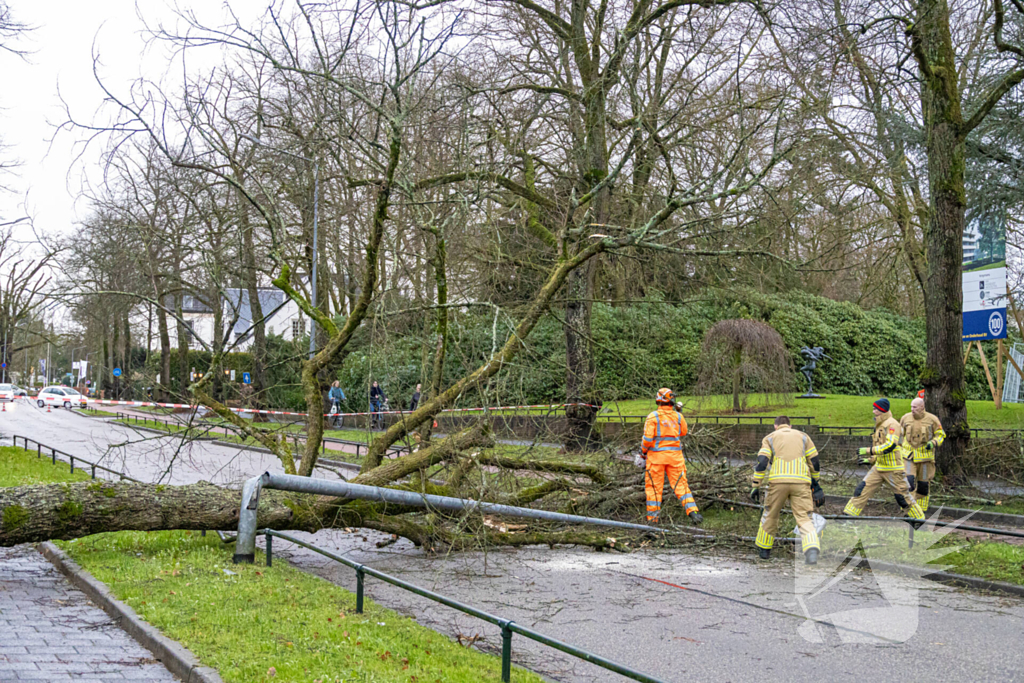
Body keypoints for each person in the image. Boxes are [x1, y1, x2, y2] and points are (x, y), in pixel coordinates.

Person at [751, 416, 825, 564]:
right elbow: (815, 461)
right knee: (804, 517)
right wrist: (815, 482)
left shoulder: (770, 438)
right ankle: (811, 551)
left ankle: (764, 551)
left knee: (770, 515)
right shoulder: (803, 437)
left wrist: (755, 485)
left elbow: (762, 462)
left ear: (775, 426)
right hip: (801, 482)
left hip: (778, 482)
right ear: (790, 426)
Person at [843, 398, 925, 522]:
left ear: (882, 410)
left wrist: (868, 450)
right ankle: (848, 516)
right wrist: (870, 460)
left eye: (875, 409)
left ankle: (919, 520)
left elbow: (890, 446)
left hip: (893, 469)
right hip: (879, 467)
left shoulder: (892, 424)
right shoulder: (880, 425)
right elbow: (879, 446)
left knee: (903, 497)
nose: (873, 411)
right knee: (861, 490)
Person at [638, 388, 702, 525]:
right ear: (672, 401)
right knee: (681, 485)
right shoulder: (678, 416)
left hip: (656, 459)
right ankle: (693, 512)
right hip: (675, 458)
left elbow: (647, 440)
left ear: (658, 401)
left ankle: (653, 520)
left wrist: (642, 452)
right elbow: (683, 432)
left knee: (654, 489)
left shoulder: (653, 417)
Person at [899, 397, 945, 512]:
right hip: (909, 456)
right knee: (908, 482)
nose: (912, 409)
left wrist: (933, 443)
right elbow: (899, 435)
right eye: (911, 407)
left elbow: (940, 435)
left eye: (914, 407)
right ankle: (908, 508)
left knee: (923, 485)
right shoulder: (905, 418)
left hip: (925, 458)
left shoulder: (932, 419)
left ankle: (921, 510)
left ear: (922, 407)